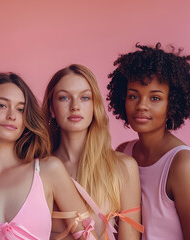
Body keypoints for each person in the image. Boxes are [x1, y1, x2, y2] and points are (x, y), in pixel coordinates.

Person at [0, 72, 95, 240]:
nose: (12, 115)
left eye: (20, 109)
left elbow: (88, 236)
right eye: (2, 105)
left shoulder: (48, 170)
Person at [107, 43, 190, 240]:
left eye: (155, 98)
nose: (141, 106)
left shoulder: (183, 164)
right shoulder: (123, 153)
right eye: (133, 96)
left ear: (172, 103)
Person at [42, 64, 142, 240]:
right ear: (51, 108)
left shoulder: (124, 167)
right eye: (64, 98)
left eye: (85, 98)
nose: (75, 106)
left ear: (95, 105)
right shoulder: (38, 169)